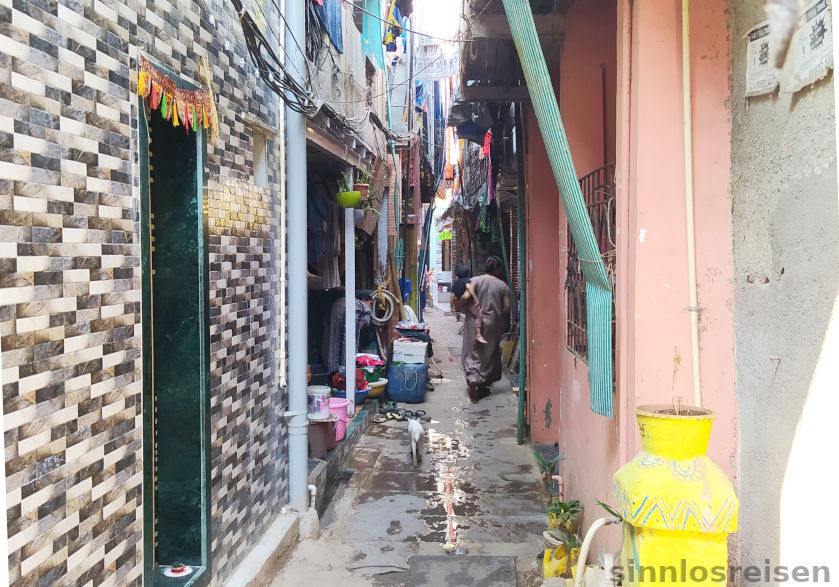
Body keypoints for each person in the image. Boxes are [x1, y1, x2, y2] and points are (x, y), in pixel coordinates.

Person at [459, 256, 512, 402]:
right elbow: (507, 308)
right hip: (493, 323)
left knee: (472, 351)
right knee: (488, 353)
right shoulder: (503, 286)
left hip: (473, 321)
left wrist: (461, 306)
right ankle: (481, 381)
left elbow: (465, 296)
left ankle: (473, 378)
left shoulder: (475, 280)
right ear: (498, 269)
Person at [324, 293, 374, 372]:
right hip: (349, 317)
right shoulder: (365, 308)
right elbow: (358, 328)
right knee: (348, 346)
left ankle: (333, 373)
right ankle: (346, 374)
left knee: (334, 342)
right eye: (370, 304)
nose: (371, 307)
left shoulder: (342, 300)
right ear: (364, 300)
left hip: (335, 309)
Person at [450, 264, 487, 344]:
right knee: (478, 315)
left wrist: (452, 307)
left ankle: (458, 317)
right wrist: (475, 297)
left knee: (470, 316)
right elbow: (469, 287)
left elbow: (452, 296)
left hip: (462, 306)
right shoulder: (467, 281)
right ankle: (478, 334)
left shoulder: (455, 284)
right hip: (469, 303)